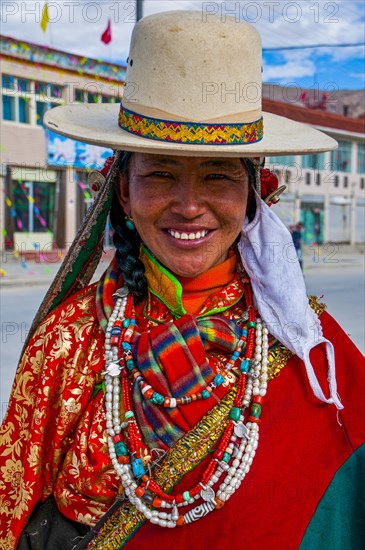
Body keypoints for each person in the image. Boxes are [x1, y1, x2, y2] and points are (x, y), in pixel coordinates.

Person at [1, 11, 364, 550]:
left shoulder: (311, 352)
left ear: (252, 195)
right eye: (161, 173)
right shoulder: (69, 340)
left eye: (217, 175)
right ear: (123, 192)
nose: (189, 206)